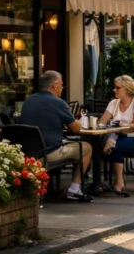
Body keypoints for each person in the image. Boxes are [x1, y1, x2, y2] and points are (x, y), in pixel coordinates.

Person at [19, 71, 93, 202]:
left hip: (28, 152)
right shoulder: (58, 102)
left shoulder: (29, 100)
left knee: (60, 142)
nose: (62, 88)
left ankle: (52, 188)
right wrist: (80, 122)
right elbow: (75, 128)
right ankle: (75, 189)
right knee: (86, 147)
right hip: (48, 152)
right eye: (62, 85)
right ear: (55, 85)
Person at [97, 75, 134, 196]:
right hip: (120, 137)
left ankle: (119, 183)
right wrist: (99, 125)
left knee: (116, 147)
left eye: (117, 88)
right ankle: (97, 183)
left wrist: (121, 126)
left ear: (127, 89)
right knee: (96, 147)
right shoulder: (113, 103)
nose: (114, 90)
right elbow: (102, 121)